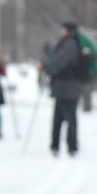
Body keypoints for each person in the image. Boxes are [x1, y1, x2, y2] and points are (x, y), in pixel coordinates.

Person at [39, 22, 84, 157]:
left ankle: (71, 147)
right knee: (59, 117)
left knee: (69, 118)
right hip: (65, 87)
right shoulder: (68, 42)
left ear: (68, 30)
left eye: (63, 28)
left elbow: (60, 62)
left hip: (68, 87)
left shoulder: (69, 44)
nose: (61, 30)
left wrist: (46, 67)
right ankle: (56, 146)